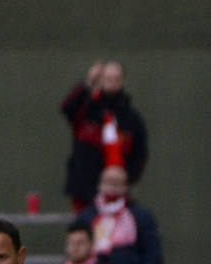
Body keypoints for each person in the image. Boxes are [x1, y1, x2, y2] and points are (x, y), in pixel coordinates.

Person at [60, 60, 148, 210]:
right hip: (84, 190)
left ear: (123, 81)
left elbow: (140, 154)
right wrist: (89, 82)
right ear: (100, 80)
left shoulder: (131, 119)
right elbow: (67, 108)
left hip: (117, 192)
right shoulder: (87, 110)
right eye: (108, 79)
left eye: (116, 79)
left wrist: (126, 180)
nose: (112, 83)